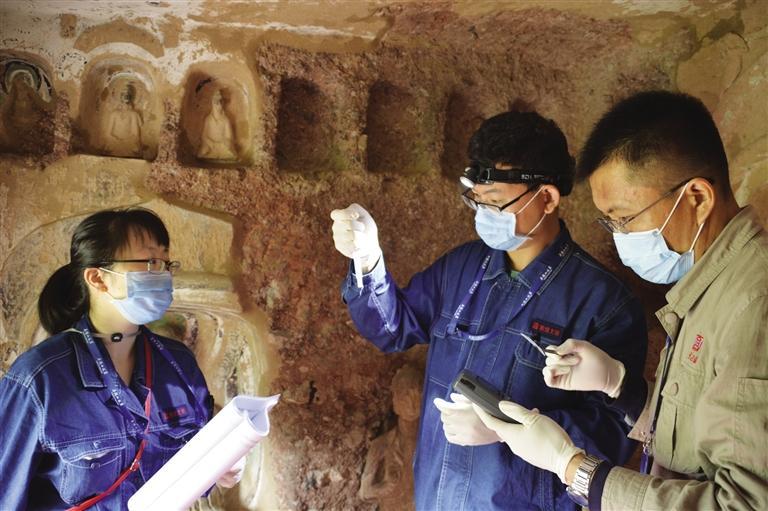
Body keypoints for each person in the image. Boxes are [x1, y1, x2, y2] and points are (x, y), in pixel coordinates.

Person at [330, 111, 648, 510]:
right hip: (437, 498)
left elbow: (613, 438)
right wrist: (368, 261)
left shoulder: (603, 303)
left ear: (547, 198)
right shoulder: (463, 267)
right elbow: (393, 329)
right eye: (478, 201)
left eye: (496, 203)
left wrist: (507, 429)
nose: (484, 215)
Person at [472, 91, 768, 510]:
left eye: (625, 218)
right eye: (608, 221)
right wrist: (620, 386)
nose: (618, 237)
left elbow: (744, 503)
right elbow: (694, 441)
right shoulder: (710, 285)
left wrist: (573, 467)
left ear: (697, 198)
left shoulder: (753, 304)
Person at [0, 208, 242, 509]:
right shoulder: (39, 379)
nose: (164, 274)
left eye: (166, 263)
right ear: (98, 279)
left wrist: (220, 469)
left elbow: (195, 462)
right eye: (150, 262)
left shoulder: (179, 363)